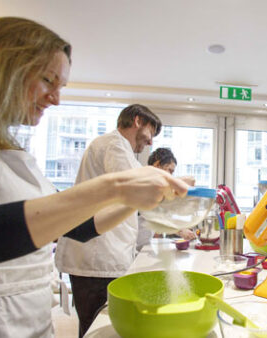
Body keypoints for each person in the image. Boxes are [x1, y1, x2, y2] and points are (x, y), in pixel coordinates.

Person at [0, 17, 189, 338]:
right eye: (49, 80)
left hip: (27, 318)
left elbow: (80, 227)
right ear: (4, 67)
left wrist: (132, 200)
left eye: (60, 87)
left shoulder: (9, 147)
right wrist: (117, 187)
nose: (56, 98)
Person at [55, 104, 169, 337]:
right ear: (137, 120)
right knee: (94, 328)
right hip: (96, 258)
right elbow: (137, 187)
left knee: (100, 326)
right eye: (150, 133)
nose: (150, 143)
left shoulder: (124, 152)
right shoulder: (113, 144)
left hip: (105, 256)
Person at [144, 147, 197, 241]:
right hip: (138, 246)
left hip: (146, 244)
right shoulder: (145, 183)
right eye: (169, 170)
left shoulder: (157, 190)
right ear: (157, 165)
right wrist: (180, 230)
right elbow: (191, 180)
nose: (170, 175)